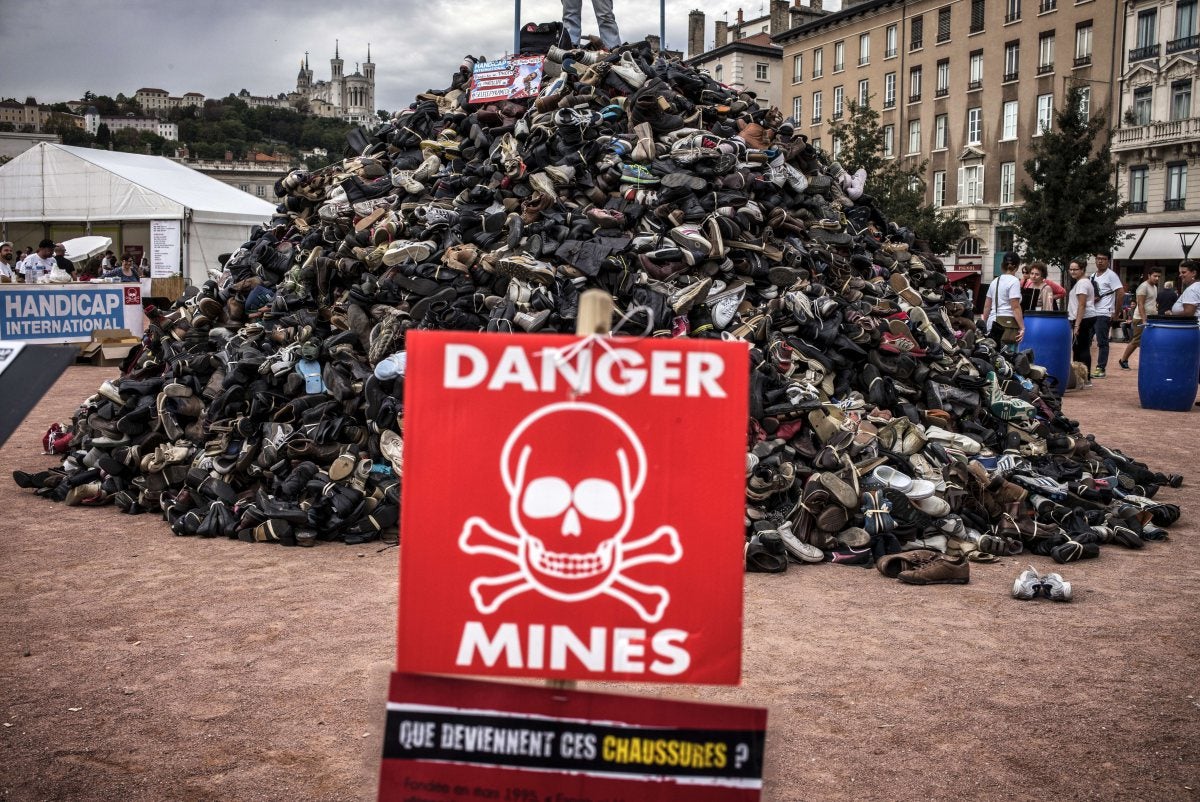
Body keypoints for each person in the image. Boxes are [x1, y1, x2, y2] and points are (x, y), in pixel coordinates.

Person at [1088, 252, 1124, 379]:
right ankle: (1085, 367)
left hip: (1104, 313)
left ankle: (1101, 368)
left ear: (1108, 261)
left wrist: (1116, 312)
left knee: (1102, 342)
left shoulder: (1111, 275)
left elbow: (1121, 293)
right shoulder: (1093, 276)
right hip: (1091, 313)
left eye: (1103, 259)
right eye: (1098, 259)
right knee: (1086, 341)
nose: (1100, 261)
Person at [1118, 268, 1161, 369]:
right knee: (1136, 341)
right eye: (1155, 276)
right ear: (1149, 276)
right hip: (1140, 318)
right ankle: (1123, 360)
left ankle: (1149, 361)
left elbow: (1151, 303)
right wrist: (1144, 320)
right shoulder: (1143, 287)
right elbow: (1140, 304)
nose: (1157, 278)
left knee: (1149, 341)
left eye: (1158, 276)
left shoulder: (1154, 287)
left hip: (1150, 318)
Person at [981, 251, 1024, 344]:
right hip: (1008, 325)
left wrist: (984, 322)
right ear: (1017, 266)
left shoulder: (995, 281)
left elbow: (987, 306)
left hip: (992, 322)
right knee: (1009, 352)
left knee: (994, 351)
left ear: (1002, 265)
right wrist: (1022, 327)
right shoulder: (1014, 281)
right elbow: (1015, 307)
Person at [1067, 259, 1098, 386]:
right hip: (1083, 318)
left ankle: (1085, 378)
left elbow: (1082, 304)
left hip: (1083, 319)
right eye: (1071, 269)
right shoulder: (1082, 282)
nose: (1072, 271)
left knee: (1082, 348)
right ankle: (1080, 378)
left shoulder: (1082, 283)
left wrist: (1077, 325)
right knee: (1078, 348)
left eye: (1075, 269)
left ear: (1082, 269)